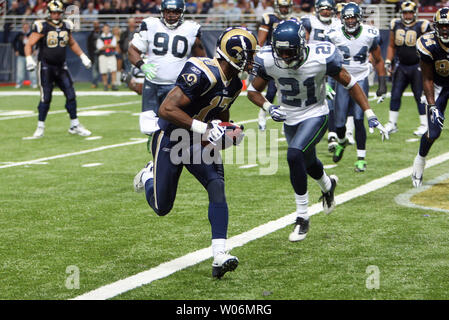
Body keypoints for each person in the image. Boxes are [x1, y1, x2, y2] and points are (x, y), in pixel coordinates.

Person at [133, 27, 258, 278]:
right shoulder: (201, 71)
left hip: (199, 143)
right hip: (172, 138)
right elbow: (166, 109)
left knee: (217, 186)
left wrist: (227, 132)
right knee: (162, 206)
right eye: (249, 55)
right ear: (235, 55)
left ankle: (220, 254)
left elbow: (221, 114)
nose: (252, 60)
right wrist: (204, 128)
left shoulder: (234, 83)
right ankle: (148, 175)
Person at [247, 19, 386, 242]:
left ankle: (302, 217)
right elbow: (253, 92)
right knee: (309, 162)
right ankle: (328, 186)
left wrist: (369, 113)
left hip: (316, 113)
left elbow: (350, 83)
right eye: (280, 52)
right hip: (289, 116)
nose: (284, 57)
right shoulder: (268, 60)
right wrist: (269, 106)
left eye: (289, 52)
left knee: (294, 154)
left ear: (302, 46)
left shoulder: (321, 56)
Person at [128, 0, 206, 148]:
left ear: (182, 13)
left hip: (177, 87)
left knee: (176, 126)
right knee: (148, 126)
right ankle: (156, 158)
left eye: (175, 12)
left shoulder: (191, 29)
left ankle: (175, 155)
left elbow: (201, 58)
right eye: (168, 12)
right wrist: (142, 66)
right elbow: (133, 50)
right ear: (162, 12)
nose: (171, 16)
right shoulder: (150, 25)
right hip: (152, 84)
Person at [326, 2, 388, 172]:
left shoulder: (370, 34)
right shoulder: (333, 34)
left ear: (359, 18)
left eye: (354, 17)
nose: (351, 21)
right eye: (347, 17)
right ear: (342, 19)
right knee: (339, 124)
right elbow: (325, 60)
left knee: (360, 119)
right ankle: (341, 142)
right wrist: (325, 82)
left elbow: (378, 59)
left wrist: (382, 83)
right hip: (342, 79)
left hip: (361, 78)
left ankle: (361, 158)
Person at [24, 0, 92, 138]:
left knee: (71, 95)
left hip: (61, 66)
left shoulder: (66, 25)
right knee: (46, 97)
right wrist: (29, 58)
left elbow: (71, 43)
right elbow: (29, 44)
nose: (55, 15)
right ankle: (40, 126)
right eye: (53, 12)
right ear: (49, 13)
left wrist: (83, 56)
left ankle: (74, 124)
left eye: (58, 13)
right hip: (45, 66)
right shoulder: (42, 26)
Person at [300, 0, 344, 153]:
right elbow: (302, 43)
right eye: (323, 9)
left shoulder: (338, 24)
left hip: (330, 66)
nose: (326, 12)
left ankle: (332, 135)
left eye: (329, 9)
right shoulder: (308, 22)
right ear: (317, 10)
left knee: (331, 101)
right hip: (312, 67)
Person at [383, 1, 432, 137]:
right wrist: (388, 60)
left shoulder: (422, 25)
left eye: (410, 12)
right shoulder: (395, 24)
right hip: (401, 65)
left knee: (419, 96)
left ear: (415, 13)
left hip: (417, 65)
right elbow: (391, 45)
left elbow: (428, 46)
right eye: (405, 12)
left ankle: (424, 125)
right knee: (395, 94)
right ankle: (392, 123)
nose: (408, 15)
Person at [412, 7, 449, 188]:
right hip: (438, 86)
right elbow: (427, 77)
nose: (445, 30)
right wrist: (433, 106)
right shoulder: (428, 44)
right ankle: (420, 160)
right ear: (436, 26)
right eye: (442, 26)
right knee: (434, 132)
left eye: (448, 26)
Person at [256, 0, 294, 131]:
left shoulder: (294, 20)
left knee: (287, 91)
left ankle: (287, 121)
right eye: (282, 7)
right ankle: (262, 115)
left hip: (289, 58)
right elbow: (261, 41)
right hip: (273, 58)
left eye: (286, 7)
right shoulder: (269, 18)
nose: (284, 10)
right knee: (271, 91)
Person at [12, 22, 37, 89]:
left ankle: (34, 83)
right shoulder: (19, 34)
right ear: (23, 27)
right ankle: (19, 83)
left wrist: (35, 49)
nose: (25, 28)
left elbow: (37, 42)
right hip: (21, 55)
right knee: (20, 70)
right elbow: (13, 42)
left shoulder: (31, 33)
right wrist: (16, 50)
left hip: (30, 55)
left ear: (28, 27)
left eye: (27, 27)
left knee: (32, 70)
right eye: (24, 27)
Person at [96, 23, 118, 91]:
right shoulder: (100, 37)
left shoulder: (112, 36)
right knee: (104, 71)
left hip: (111, 55)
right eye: (105, 28)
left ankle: (113, 84)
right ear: (102, 29)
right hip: (103, 56)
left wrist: (105, 46)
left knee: (113, 70)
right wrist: (109, 45)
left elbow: (114, 45)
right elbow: (99, 47)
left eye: (107, 29)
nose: (106, 30)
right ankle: (105, 85)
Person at [87, 20, 101, 88]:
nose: (96, 25)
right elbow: (89, 46)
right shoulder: (91, 35)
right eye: (94, 24)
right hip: (95, 54)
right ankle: (95, 83)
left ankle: (107, 83)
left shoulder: (103, 33)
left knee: (106, 68)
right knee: (95, 69)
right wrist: (91, 55)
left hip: (103, 53)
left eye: (97, 23)